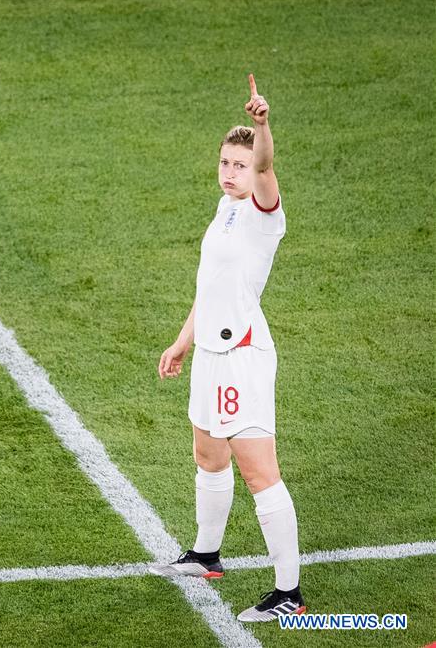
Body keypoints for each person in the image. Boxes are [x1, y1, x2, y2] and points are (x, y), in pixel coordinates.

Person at [148, 75, 305, 623]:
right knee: (208, 456)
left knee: (260, 473)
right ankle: (206, 555)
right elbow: (209, 286)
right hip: (210, 355)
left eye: (239, 164)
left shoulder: (264, 211)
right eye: (224, 163)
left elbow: (266, 165)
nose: (231, 172)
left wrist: (262, 127)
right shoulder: (224, 208)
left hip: (243, 357)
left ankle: (289, 594)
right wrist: (182, 341)